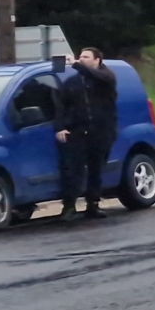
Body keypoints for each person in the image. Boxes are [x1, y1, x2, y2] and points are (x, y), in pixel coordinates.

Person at [55, 48, 118, 218]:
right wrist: (60, 127)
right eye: (80, 56)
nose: (81, 59)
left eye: (86, 57)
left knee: (96, 170)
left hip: (101, 131)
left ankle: (93, 204)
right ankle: (69, 206)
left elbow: (97, 76)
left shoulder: (106, 77)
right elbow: (62, 107)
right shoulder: (72, 83)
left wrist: (75, 64)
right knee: (73, 170)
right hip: (78, 132)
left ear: (97, 60)